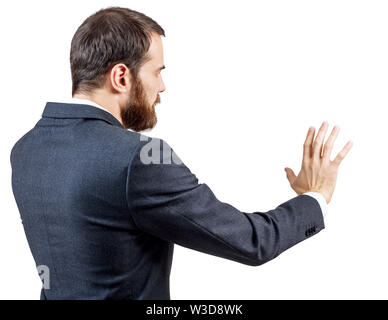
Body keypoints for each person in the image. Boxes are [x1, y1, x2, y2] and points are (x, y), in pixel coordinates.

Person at [10, 6, 352, 300]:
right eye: (157, 72)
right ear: (120, 77)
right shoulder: (138, 160)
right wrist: (315, 197)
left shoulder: (25, 149)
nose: (162, 87)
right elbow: (251, 241)